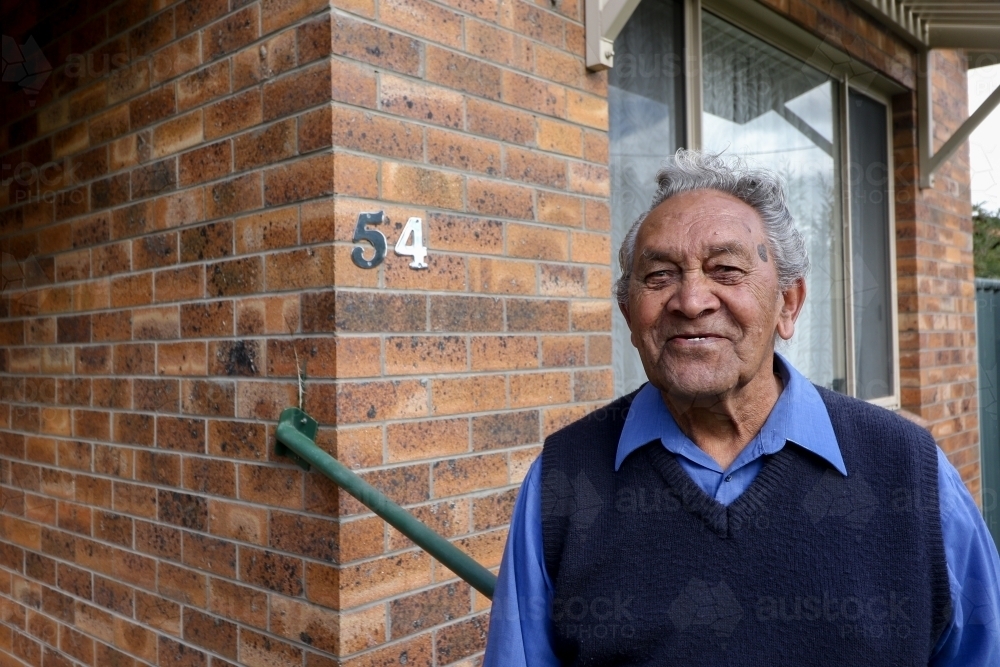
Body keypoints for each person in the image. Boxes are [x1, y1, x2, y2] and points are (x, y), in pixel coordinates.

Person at [483, 150, 1000, 665]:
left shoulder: (908, 469)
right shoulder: (565, 479)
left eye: (725, 270)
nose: (691, 301)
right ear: (628, 314)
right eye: (659, 275)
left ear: (788, 304)